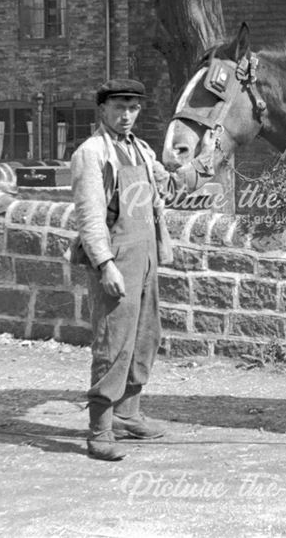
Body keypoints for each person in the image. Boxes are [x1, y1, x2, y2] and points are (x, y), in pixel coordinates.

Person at [69, 78, 215, 461]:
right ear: (102, 109)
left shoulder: (141, 149)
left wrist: (207, 160)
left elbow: (169, 187)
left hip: (147, 254)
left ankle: (128, 415)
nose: (127, 115)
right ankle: (100, 430)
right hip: (117, 258)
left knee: (145, 337)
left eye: (133, 107)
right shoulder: (92, 153)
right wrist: (105, 265)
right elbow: (89, 217)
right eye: (119, 107)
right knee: (113, 341)